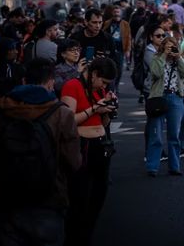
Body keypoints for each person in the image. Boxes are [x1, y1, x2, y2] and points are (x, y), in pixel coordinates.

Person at [0, 58, 81, 245]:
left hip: (8, 196)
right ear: (51, 82)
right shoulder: (62, 114)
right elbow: (73, 162)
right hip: (50, 197)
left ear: (24, 81)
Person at [60, 57, 119, 246]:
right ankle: (74, 238)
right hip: (81, 146)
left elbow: (104, 123)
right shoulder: (72, 86)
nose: (104, 86)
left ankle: (86, 236)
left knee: (98, 196)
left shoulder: (99, 89)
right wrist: (94, 109)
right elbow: (67, 121)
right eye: (103, 81)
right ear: (94, 74)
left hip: (101, 146)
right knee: (79, 198)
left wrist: (108, 110)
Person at [144, 36, 184, 176]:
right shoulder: (156, 58)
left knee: (174, 135)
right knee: (156, 135)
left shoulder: (178, 60)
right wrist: (164, 55)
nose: (171, 50)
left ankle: (174, 167)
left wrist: (179, 58)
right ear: (163, 47)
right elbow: (156, 73)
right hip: (158, 97)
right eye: (168, 47)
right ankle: (152, 167)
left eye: (173, 47)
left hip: (175, 98)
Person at [102, 5, 131, 85]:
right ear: (112, 13)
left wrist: (128, 50)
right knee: (109, 67)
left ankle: (116, 84)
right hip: (110, 49)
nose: (116, 14)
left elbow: (128, 37)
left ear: (121, 13)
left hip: (120, 49)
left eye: (118, 12)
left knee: (119, 68)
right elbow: (103, 33)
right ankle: (110, 85)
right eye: (115, 12)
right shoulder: (108, 22)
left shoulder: (125, 24)